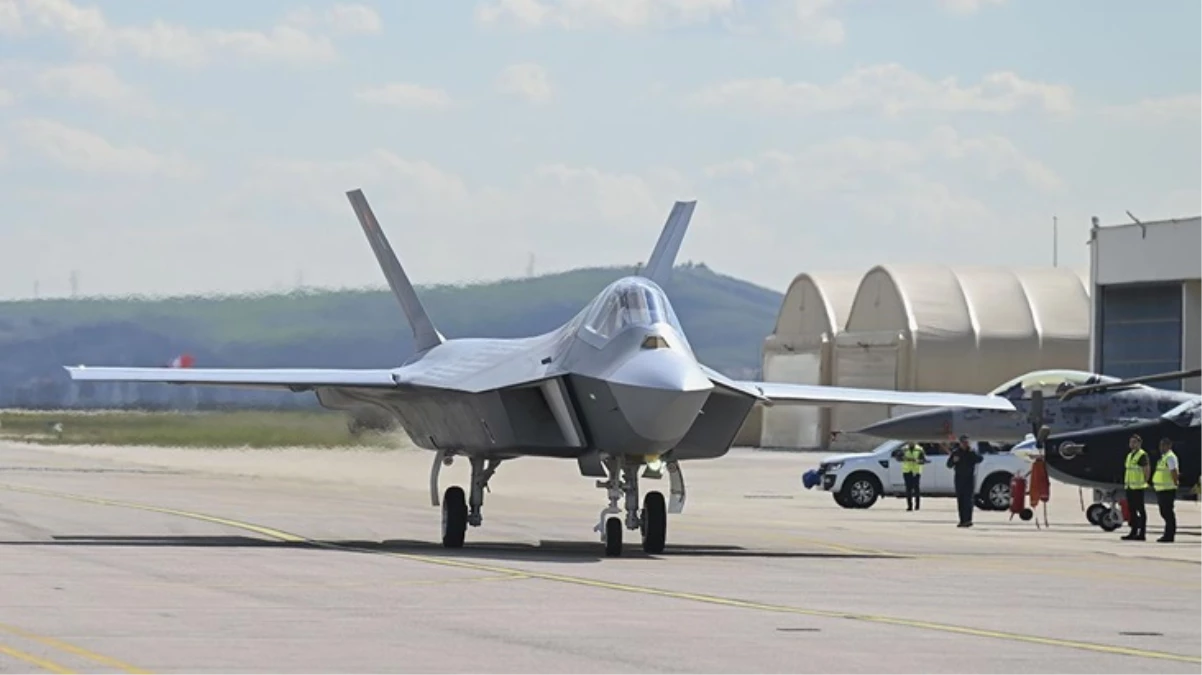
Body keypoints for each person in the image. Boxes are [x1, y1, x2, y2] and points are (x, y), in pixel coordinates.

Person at [947, 435, 981, 527]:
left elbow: (979, 459)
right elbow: (949, 465)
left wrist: (972, 453)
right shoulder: (956, 453)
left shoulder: (971, 452)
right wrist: (954, 461)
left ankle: (968, 520)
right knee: (961, 500)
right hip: (959, 478)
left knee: (968, 500)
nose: (965, 444)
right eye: (963, 442)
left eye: (966, 442)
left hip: (969, 478)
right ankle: (962, 520)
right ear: (960, 443)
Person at [1121, 434, 1150, 541]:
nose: (1132, 444)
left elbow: (1146, 469)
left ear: (1139, 444)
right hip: (1130, 486)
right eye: (1131, 442)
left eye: (1134, 442)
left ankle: (1142, 533)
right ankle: (1133, 532)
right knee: (1132, 510)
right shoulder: (1130, 455)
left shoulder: (1142, 455)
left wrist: (1145, 481)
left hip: (1138, 486)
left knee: (1140, 510)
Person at [1152, 437, 1180, 543]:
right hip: (1162, 489)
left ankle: (1169, 535)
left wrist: (1175, 482)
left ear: (1169, 446)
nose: (1161, 447)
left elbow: (1174, 471)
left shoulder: (1170, 457)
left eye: (1164, 445)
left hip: (1168, 489)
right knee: (1164, 512)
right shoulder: (1164, 458)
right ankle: (1168, 534)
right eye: (1161, 445)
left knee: (1167, 513)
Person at [900, 442, 927, 511]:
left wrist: (918, 460)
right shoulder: (904, 449)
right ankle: (909, 506)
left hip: (916, 471)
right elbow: (898, 457)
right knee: (908, 489)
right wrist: (904, 458)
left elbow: (923, 460)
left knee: (916, 488)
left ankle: (917, 505)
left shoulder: (919, 449)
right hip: (907, 471)